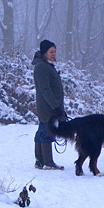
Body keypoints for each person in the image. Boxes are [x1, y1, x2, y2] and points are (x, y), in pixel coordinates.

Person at [32, 39, 66, 170]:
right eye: (51, 51)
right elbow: (45, 89)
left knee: (42, 130)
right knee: (46, 131)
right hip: (47, 106)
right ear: (44, 52)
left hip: (48, 105)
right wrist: (55, 106)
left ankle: (40, 161)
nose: (53, 54)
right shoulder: (42, 67)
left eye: (55, 51)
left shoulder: (46, 65)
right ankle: (47, 162)